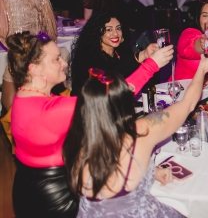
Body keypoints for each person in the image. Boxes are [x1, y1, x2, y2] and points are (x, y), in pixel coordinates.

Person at [9, 30, 174, 217]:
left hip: (25, 187)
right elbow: (115, 97)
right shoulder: (53, 109)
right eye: (56, 59)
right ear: (34, 69)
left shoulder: (22, 97)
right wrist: (151, 65)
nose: (64, 63)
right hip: (57, 197)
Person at [64, 53, 208, 217]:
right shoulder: (141, 132)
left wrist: (153, 171)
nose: (132, 89)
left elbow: (113, 169)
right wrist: (202, 68)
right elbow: (187, 104)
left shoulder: (75, 141)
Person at [0, 0, 58, 111]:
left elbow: (2, 31)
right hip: (37, 58)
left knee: (10, 110)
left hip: (16, 57)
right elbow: (51, 31)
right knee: (39, 106)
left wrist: (13, 47)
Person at [69, 10, 159, 95]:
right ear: (98, 33)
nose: (115, 34)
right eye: (109, 30)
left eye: (118, 28)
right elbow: (111, 76)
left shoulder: (121, 53)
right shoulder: (89, 58)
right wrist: (142, 55)